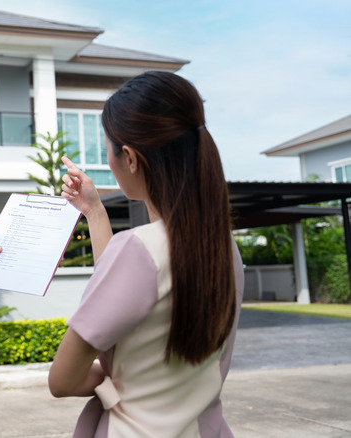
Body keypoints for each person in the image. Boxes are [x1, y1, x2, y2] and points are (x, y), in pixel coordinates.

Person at [48, 71, 244, 437]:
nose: (108, 160)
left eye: (107, 148)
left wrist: (113, 383)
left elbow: (62, 379)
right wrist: (94, 211)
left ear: (131, 158)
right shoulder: (224, 249)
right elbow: (129, 286)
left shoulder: (139, 249)